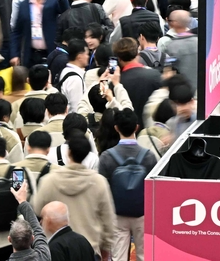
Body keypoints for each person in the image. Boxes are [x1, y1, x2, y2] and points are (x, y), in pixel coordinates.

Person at [31, 136, 115, 260]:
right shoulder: (99, 182)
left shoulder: (49, 180)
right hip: (89, 251)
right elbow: (108, 222)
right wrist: (105, 250)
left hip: (56, 251)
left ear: (68, 152)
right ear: (87, 154)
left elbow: (36, 211)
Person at [98, 109, 156, 261]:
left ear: (116, 128)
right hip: (142, 213)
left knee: (118, 257)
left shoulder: (106, 157)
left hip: (117, 214)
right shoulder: (149, 156)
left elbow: (102, 189)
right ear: (136, 127)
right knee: (144, 256)